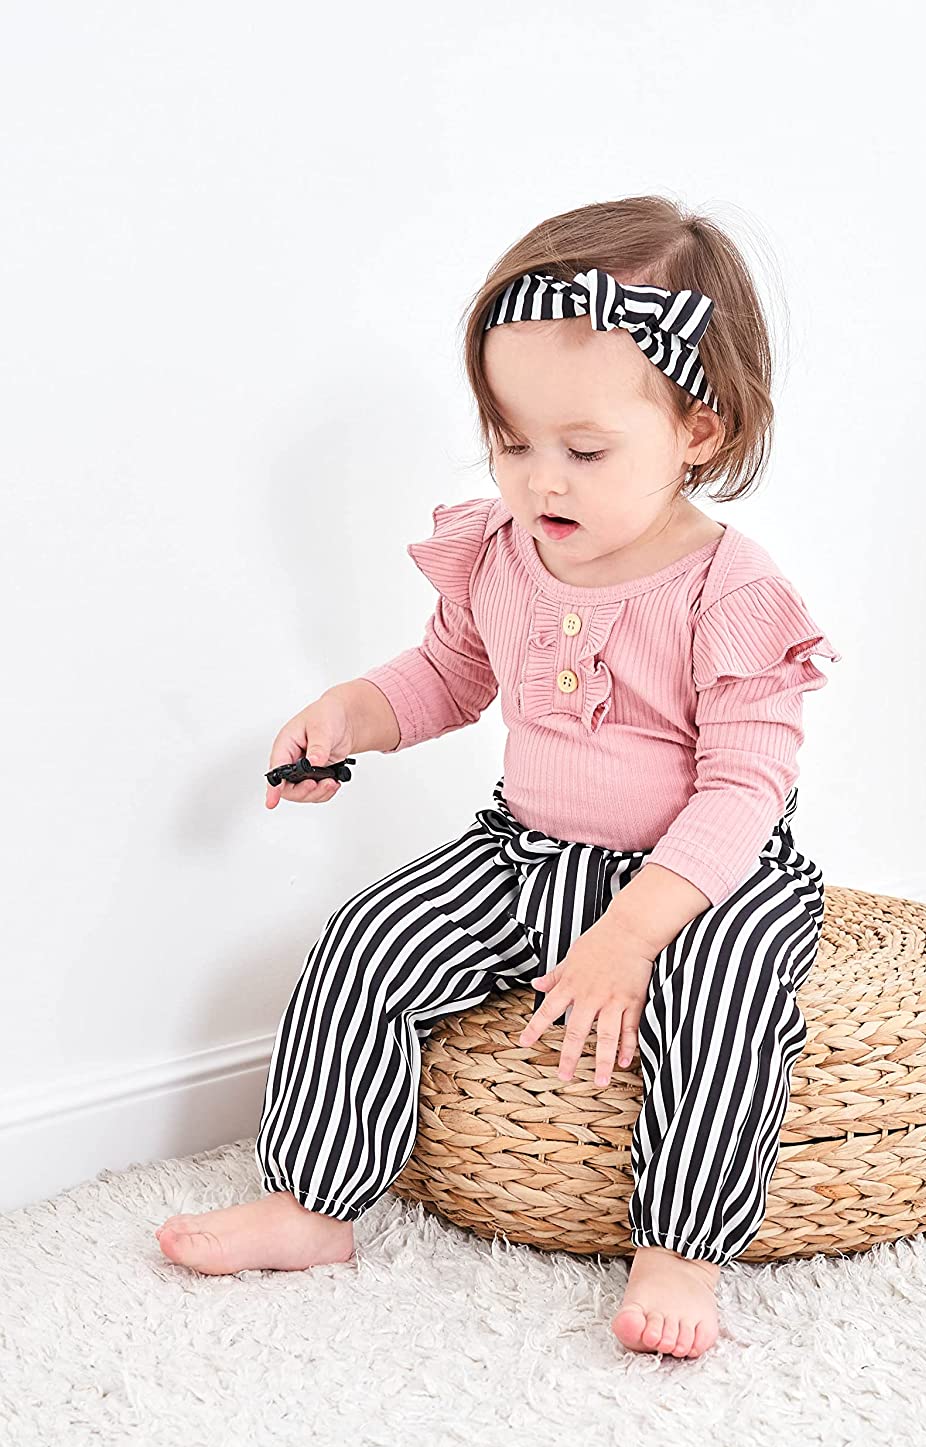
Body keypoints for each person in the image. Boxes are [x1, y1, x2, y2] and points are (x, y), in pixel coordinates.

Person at [155, 194, 841, 1360]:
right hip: (524, 855)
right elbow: (449, 674)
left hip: (703, 879)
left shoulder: (730, 592)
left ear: (700, 430)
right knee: (366, 941)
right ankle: (311, 1202)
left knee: (725, 1003)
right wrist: (352, 714)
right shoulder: (503, 556)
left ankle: (680, 1248)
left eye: (584, 451)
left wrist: (633, 937)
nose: (539, 482)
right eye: (512, 443)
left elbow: (745, 789)